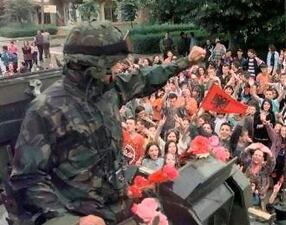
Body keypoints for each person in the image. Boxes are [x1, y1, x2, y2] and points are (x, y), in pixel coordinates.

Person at [8, 21, 205, 225]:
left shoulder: (109, 90)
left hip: (118, 210)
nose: (117, 71)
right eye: (111, 66)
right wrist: (69, 221)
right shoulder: (45, 110)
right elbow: (27, 180)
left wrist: (185, 62)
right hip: (81, 217)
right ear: (90, 68)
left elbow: (145, 78)